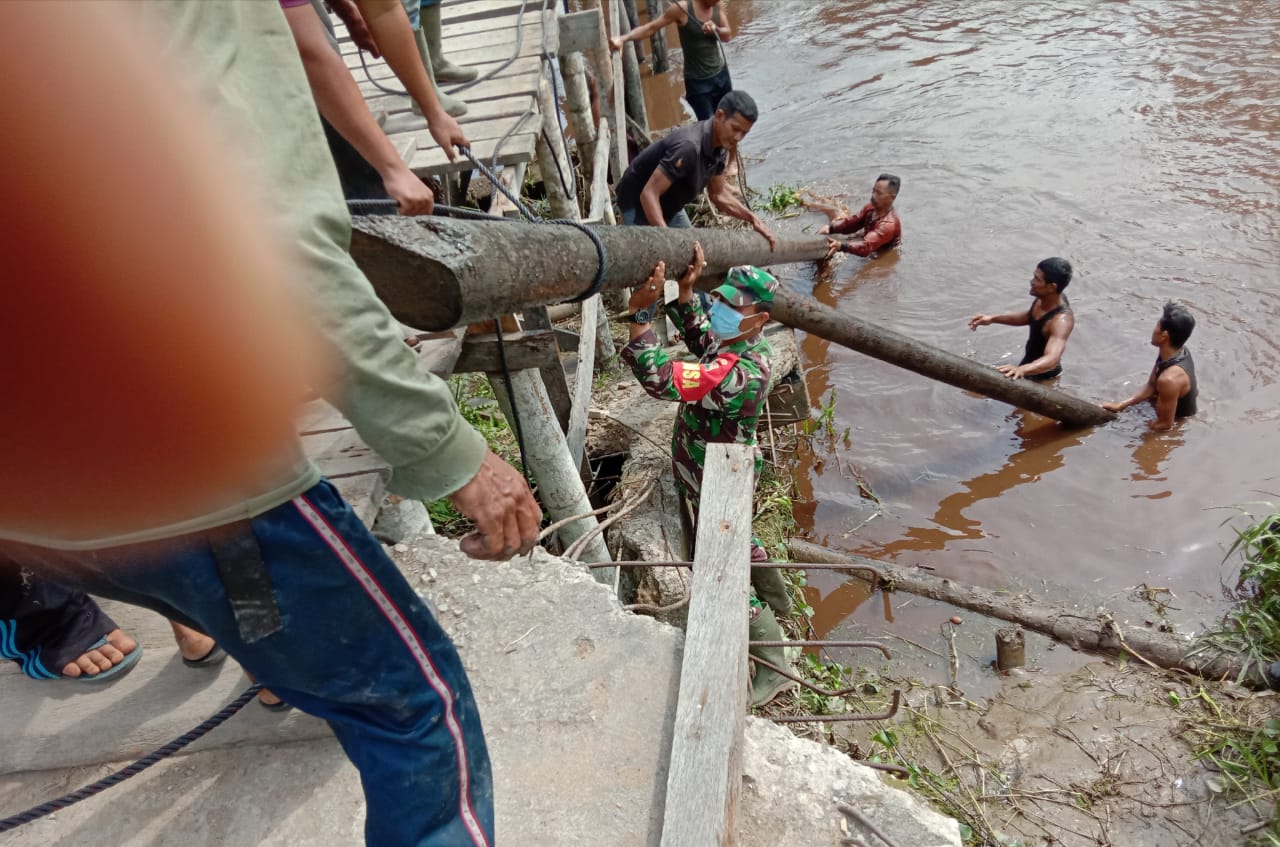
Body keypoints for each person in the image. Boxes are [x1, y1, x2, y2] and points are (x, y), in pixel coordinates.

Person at [2, 3, 543, 844]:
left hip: (31, 506)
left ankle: (270, 658)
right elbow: (283, 246)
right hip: (183, 475)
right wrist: (451, 452)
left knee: (228, 598)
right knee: (416, 707)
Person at [619, 245, 795, 708]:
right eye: (718, 299)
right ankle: (779, 596)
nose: (716, 309)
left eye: (728, 306)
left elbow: (661, 378)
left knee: (722, 568)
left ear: (758, 319)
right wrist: (687, 293)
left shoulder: (737, 373)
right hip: (713, 467)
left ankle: (776, 663)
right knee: (742, 538)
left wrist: (642, 315)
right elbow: (703, 338)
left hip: (717, 480)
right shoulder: (741, 343)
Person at [614, 90, 777, 250]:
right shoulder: (689, 147)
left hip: (670, 201)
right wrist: (667, 241)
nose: (738, 138)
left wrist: (753, 219)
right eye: (735, 129)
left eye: (744, 133)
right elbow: (648, 194)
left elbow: (718, 195)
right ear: (719, 115)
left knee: (692, 251)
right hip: (637, 202)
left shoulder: (720, 146)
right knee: (659, 256)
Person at [609, 0, 732, 121]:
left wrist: (716, 29)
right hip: (699, 82)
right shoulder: (682, 8)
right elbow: (651, 27)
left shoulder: (717, 4)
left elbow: (727, 36)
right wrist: (623, 38)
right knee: (709, 127)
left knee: (728, 118)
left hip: (721, 74)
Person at [969, 257, 1075, 380]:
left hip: (1042, 376)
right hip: (1027, 365)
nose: (1032, 282)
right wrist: (992, 319)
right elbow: (1029, 316)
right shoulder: (1046, 298)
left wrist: (1021, 370)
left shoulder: (1061, 321)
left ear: (1051, 287)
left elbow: (1052, 358)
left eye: (1037, 279)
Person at [1102, 301, 1199, 430]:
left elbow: (1164, 425)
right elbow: (1151, 386)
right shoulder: (1176, 351)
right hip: (1164, 404)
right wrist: (1120, 406)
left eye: (1157, 325)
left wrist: (1132, 430)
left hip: (1177, 421)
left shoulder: (1169, 380)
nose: (1154, 329)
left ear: (1164, 335)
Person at [821, 173, 902, 258]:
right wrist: (830, 228)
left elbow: (865, 247)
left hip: (883, 254)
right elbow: (852, 223)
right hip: (869, 241)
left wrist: (841, 246)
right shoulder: (870, 208)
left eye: (879, 193)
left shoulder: (888, 224)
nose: (873, 196)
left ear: (892, 197)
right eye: (873, 191)